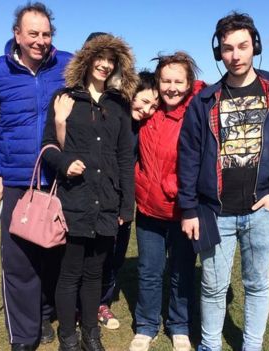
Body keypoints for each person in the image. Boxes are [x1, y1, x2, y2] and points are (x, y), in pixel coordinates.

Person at [178, 12, 269, 351]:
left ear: (255, 47)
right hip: (214, 211)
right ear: (218, 53)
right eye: (227, 48)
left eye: (243, 46)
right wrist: (188, 208)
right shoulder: (204, 100)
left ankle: (252, 345)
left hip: (262, 211)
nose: (235, 55)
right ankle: (209, 345)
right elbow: (189, 156)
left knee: (256, 284)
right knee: (212, 286)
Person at [0, 3, 72, 350]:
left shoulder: (67, 65)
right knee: (19, 262)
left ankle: (45, 312)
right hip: (16, 179)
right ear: (17, 34)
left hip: (59, 177)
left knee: (56, 254)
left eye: (46, 34)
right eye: (33, 33)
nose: (40, 41)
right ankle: (24, 337)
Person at [42, 32, 137, 351]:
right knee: (69, 275)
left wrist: (127, 205)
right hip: (73, 201)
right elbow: (48, 147)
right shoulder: (64, 98)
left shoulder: (120, 105)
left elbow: (126, 156)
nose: (105, 65)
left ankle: (90, 335)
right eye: (100, 57)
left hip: (107, 203)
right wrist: (64, 162)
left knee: (95, 274)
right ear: (86, 58)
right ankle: (68, 338)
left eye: (111, 60)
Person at [129, 52, 205, 351]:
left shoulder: (197, 112)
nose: (171, 87)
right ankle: (146, 325)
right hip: (149, 208)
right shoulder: (148, 110)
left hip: (184, 210)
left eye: (178, 81)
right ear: (157, 82)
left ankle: (179, 326)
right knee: (149, 270)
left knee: (181, 271)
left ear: (189, 84)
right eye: (165, 81)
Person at [97, 71, 159, 331]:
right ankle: (83, 303)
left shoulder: (143, 127)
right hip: (99, 197)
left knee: (116, 253)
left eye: (154, 106)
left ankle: (102, 301)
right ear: (130, 94)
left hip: (124, 200)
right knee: (95, 253)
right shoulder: (109, 116)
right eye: (143, 101)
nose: (147, 110)